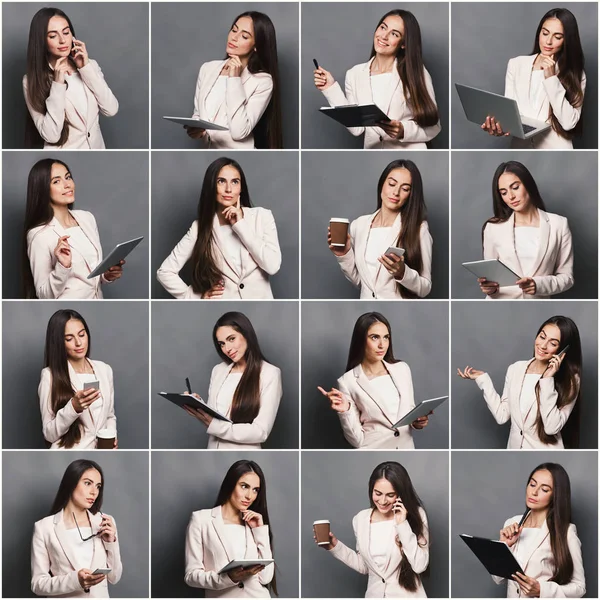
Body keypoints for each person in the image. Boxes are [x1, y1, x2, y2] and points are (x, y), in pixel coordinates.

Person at [157, 157, 281, 299]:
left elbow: (272, 266)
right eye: (221, 181)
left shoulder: (262, 216)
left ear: (241, 188)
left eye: (235, 182)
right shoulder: (199, 228)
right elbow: (165, 272)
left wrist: (240, 226)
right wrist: (194, 297)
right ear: (211, 186)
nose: (228, 189)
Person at [314, 9, 440, 149]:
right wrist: (330, 88)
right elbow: (356, 128)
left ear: (403, 44)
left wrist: (403, 130)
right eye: (383, 27)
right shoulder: (354, 74)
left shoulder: (416, 72)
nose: (384, 36)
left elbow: (434, 126)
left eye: (394, 34)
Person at [457, 315, 581, 449]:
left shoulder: (571, 381)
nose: (543, 345)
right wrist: (483, 379)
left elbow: (551, 427)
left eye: (553, 343)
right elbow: (501, 415)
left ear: (563, 350)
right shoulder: (515, 369)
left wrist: (547, 379)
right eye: (542, 337)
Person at [315, 461, 429, 598]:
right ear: (371, 490)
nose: (383, 501)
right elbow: (365, 566)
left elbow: (419, 565)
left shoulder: (416, 514)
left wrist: (402, 523)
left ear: (400, 494)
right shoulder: (360, 519)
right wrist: (334, 546)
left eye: (390, 495)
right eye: (378, 493)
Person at [318, 312, 430, 449]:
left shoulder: (402, 369)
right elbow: (356, 441)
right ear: (361, 340)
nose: (382, 345)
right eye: (375, 337)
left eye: (386, 337)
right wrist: (345, 410)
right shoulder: (347, 382)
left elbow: (409, 411)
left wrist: (417, 421)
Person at [481, 8, 585, 149]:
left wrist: (551, 78)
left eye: (558, 37)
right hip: (520, 148)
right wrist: (500, 127)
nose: (548, 41)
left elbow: (568, 123)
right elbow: (511, 115)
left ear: (567, 40)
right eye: (545, 33)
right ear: (539, 33)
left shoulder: (576, 73)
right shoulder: (516, 64)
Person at [328, 159, 432, 299]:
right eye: (392, 184)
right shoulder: (359, 225)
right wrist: (343, 253)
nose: (396, 192)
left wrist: (402, 272)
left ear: (411, 195)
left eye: (405, 188)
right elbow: (360, 282)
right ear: (382, 184)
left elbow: (425, 288)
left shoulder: (419, 229)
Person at [22, 158, 125, 299]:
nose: (67, 184)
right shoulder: (39, 235)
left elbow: (89, 275)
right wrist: (63, 267)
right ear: (43, 189)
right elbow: (43, 295)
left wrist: (106, 275)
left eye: (68, 177)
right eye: (56, 181)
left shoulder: (87, 218)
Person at [183, 312, 282, 449]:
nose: (227, 349)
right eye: (222, 344)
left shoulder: (270, 373)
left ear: (246, 334)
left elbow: (261, 432)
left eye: (231, 339)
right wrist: (199, 408)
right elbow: (215, 419)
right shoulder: (218, 370)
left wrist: (215, 425)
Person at [23, 7, 118, 148]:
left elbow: (111, 109)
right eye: (53, 36)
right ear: (41, 41)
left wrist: (85, 68)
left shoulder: (90, 66)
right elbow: (51, 135)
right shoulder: (31, 81)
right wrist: (57, 83)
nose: (63, 40)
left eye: (66, 32)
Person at [477, 161, 573, 299]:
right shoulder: (493, 228)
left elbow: (567, 277)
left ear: (528, 184)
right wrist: (490, 288)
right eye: (503, 192)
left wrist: (538, 284)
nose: (510, 197)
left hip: (537, 305)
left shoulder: (559, 224)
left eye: (515, 187)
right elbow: (492, 275)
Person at [185, 12, 282, 149]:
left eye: (244, 36)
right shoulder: (207, 69)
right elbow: (198, 115)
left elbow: (238, 132)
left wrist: (234, 78)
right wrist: (196, 130)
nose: (234, 37)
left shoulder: (263, 81)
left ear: (256, 46)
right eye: (234, 30)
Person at [31, 459, 122, 597]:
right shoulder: (44, 527)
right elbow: (38, 584)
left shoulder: (105, 522)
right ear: (71, 484)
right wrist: (75, 581)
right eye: (87, 483)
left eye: (98, 486)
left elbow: (114, 577)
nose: (94, 492)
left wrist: (111, 543)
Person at [185, 460, 276, 597]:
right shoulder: (201, 520)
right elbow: (191, 576)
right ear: (230, 484)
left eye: (255, 490)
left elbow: (266, 577)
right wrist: (228, 578)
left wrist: (260, 530)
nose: (249, 496)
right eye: (244, 486)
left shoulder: (254, 524)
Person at [493, 463, 585, 597]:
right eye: (532, 484)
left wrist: (541, 590)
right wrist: (504, 546)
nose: (534, 492)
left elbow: (580, 587)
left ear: (556, 495)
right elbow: (498, 579)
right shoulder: (511, 523)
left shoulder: (566, 531)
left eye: (545, 489)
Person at [39, 309, 118, 449]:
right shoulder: (49, 375)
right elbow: (49, 434)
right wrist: (73, 407)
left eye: (82, 335)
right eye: (69, 339)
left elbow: (110, 416)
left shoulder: (104, 370)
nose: (78, 343)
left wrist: (111, 436)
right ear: (58, 343)